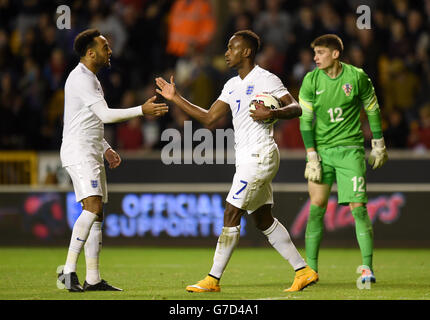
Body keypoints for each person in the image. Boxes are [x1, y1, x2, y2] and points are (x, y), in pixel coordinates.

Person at [156, 30, 318, 293]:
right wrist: (176, 98)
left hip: (260, 154)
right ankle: (304, 271)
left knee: (232, 211)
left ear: (246, 52)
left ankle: (212, 278)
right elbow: (209, 118)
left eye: (232, 48)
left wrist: (272, 112)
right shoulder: (231, 85)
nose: (226, 52)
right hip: (247, 158)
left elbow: (297, 108)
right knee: (262, 218)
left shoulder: (267, 79)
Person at [57, 29, 168, 292]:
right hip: (79, 150)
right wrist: (142, 110)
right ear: (91, 52)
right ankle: (68, 271)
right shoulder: (81, 78)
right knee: (92, 208)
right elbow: (105, 115)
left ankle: (93, 279)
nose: (110, 51)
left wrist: (106, 147)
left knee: (97, 214)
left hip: (91, 149)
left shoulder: (91, 79)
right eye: (105, 47)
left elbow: (89, 118)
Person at [298, 34, 388, 283]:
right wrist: (311, 155)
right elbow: (305, 120)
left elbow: (372, 107)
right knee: (316, 207)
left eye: (320, 53)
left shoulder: (356, 77)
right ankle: (311, 271)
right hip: (322, 152)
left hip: (350, 150)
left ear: (335, 54)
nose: (315, 58)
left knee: (358, 209)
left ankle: (367, 268)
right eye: (314, 53)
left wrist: (378, 142)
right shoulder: (310, 80)